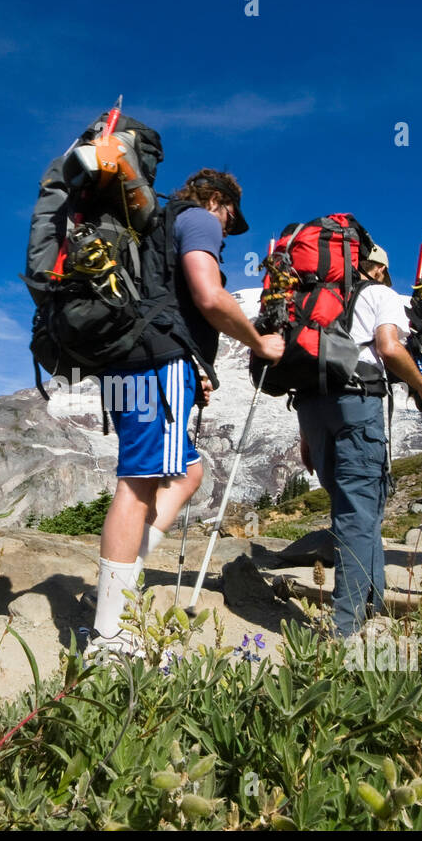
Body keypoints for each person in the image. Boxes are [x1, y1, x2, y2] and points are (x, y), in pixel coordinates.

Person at [88, 170, 284, 656]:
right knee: (139, 482)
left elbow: (165, 301)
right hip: (156, 363)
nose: (229, 224)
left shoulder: (151, 229)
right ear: (218, 199)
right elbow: (209, 295)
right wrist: (259, 340)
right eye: (231, 214)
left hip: (127, 359)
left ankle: (121, 587)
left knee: (188, 472)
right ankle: (109, 635)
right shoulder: (198, 219)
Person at [296, 242, 422, 636]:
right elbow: (389, 349)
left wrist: (306, 435)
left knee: (360, 506)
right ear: (375, 269)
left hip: (312, 407)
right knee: (358, 511)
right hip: (357, 400)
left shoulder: (311, 299)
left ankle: (371, 602)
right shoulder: (380, 294)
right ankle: (347, 625)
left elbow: (304, 362)